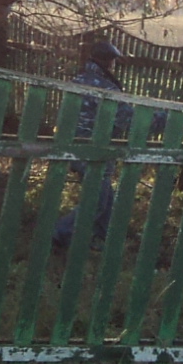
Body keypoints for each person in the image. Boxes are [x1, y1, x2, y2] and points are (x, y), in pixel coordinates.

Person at [54, 40, 127, 249]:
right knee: (97, 200)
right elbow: (124, 117)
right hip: (93, 148)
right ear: (109, 62)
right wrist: (160, 119)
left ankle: (99, 236)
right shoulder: (106, 86)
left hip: (70, 143)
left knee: (105, 195)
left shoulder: (78, 80)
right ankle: (60, 233)